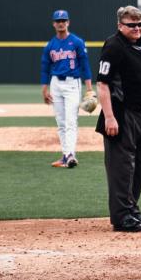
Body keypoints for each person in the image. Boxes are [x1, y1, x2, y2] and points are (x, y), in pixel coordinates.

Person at [95, 6, 141, 233]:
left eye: (140, 24)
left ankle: (131, 208)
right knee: (122, 167)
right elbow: (102, 84)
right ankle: (121, 216)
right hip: (121, 114)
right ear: (120, 25)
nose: (137, 28)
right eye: (132, 25)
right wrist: (110, 118)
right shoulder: (114, 46)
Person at [40, 9, 93, 168]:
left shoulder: (77, 42)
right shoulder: (50, 45)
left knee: (71, 120)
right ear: (54, 24)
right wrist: (45, 89)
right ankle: (65, 155)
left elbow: (85, 66)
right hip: (56, 83)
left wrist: (89, 89)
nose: (61, 23)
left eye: (64, 20)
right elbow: (45, 68)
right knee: (61, 122)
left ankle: (70, 154)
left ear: (68, 22)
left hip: (72, 83)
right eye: (58, 21)